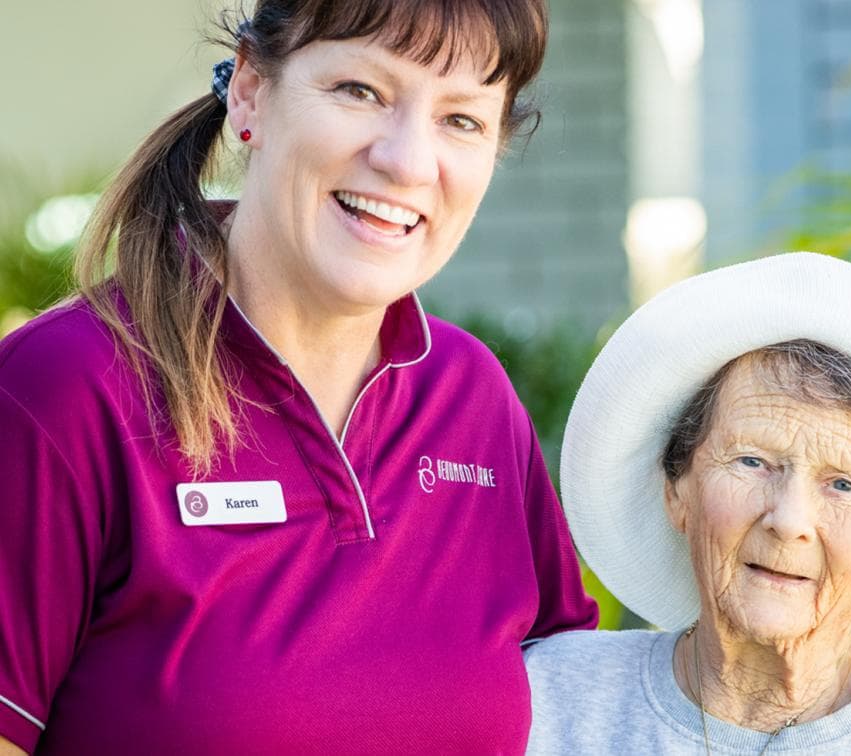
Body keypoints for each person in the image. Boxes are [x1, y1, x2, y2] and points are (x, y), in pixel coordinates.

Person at [0, 2, 598, 753]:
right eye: (360, 90)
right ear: (251, 91)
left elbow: (577, 706)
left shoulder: (472, 399)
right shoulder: (63, 390)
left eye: (461, 120)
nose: (409, 162)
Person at [525, 252, 851, 754]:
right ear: (676, 489)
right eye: (752, 462)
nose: (790, 520)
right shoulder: (547, 700)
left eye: (844, 485)